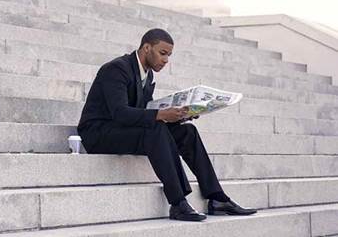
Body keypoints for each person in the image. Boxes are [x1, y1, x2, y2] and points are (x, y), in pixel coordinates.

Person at [77, 28, 257, 221]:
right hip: (99, 133)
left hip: (125, 130)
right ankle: (178, 202)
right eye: (162, 53)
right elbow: (120, 113)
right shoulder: (117, 68)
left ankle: (217, 198)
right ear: (147, 48)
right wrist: (161, 115)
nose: (166, 60)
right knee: (156, 127)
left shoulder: (148, 75)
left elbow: (145, 109)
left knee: (187, 131)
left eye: (169, 55)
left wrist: (179, 116)